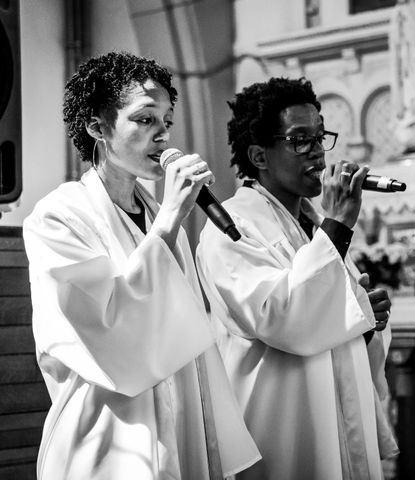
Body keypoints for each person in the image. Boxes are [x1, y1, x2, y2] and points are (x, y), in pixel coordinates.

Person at [22, 51, 259, 480]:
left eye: (167, 122)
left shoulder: (158, 214)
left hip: (178, 423)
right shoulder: (58, 217)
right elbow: (106, 330)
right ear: (98, 127)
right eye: (145, 119)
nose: (164, 136)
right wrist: (169, 221)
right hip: (107, 432)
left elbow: (190, 335)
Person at [195, 77, 398, 480]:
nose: (319, 155)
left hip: (338, 417)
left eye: (320, 137)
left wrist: (367, 324)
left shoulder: (314, 224)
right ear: (259, 155)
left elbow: (336, 321)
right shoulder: (230, 227)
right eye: (299, 140)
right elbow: (278, 318)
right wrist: (339, 224)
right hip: (278, 426)